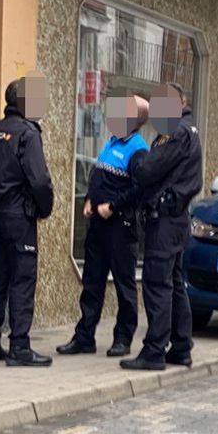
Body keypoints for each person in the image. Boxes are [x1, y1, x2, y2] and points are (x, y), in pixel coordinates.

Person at [58, 94, 151, 358]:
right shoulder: (111, 144)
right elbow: (100, 178)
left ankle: (123, 338)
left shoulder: (138, 150)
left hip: (121, 226)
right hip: (99, 226)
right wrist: (89, 199)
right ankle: (84, 336)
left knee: (124, 285)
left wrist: (112, 206)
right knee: (92, 282)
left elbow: (139, 189)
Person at [121, 82, 203, 372]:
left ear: (181, 103)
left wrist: (136, 159)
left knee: (157, 284)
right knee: (174, 285)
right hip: (176, 218)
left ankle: (154, 350)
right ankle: (181, 346)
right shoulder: (187, 130)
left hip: (166, 219)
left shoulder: (176, 132)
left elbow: (147, 170)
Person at [0, 76, 55, 367]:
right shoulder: (27, 134)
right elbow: (40, 180)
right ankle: (20, 345)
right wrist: (44, 208)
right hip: (20, 217)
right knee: (22, 280)